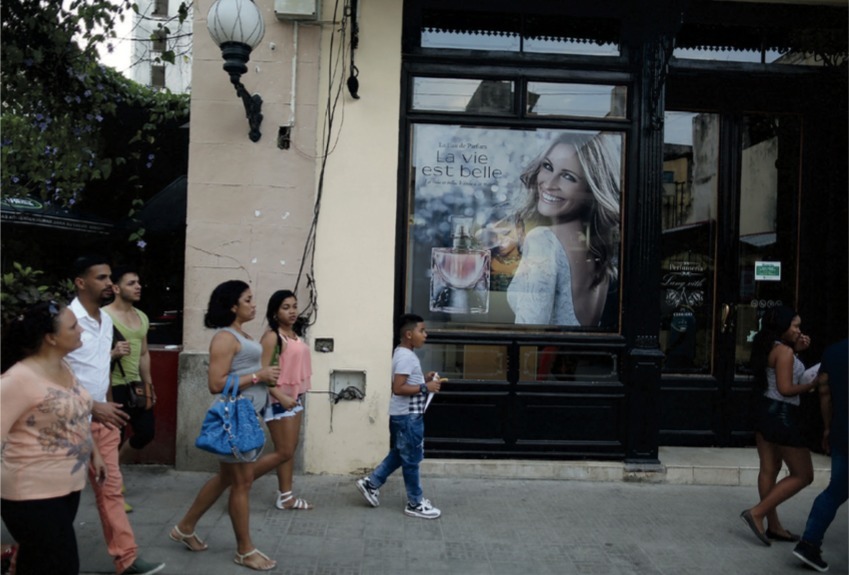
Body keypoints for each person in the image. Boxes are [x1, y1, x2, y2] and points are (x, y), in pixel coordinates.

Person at [169, 280, 280, 571]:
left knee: (226, 479)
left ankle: (185, 527)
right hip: (236, 419)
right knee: (242, 483)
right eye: (248, 299)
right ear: (233, 305)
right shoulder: (225, 338)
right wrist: (259, 376)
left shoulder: (241, 334)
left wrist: (264, 377)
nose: (254, 304)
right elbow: (215, 384)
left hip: (247, 415)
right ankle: (244, 550)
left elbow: (244, 371)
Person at [64, 255, 165, 575]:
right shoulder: (64, 321)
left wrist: (108, 411)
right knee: (54, 503)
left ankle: (127, 559)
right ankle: (27, 555)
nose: (109, 283)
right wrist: (92, 406)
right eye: (101, 278)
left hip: (101, 421)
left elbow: (101, 371)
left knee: (111, 492)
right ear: (81, 282)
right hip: (64, 424)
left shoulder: (106, 322)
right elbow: (53, 373)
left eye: (110, 277)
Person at [1, 300, 107, 575]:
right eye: (73, 326)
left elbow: (75, 413)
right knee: (63, 565)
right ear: (51, 338)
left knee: (34, 563)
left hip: (67, 487)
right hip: (30, 492)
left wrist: (93, 451)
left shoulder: (63, 367)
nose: (81, 330)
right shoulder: (17, 380)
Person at [507, 132, 620, 327]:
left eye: (568, 177)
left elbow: (529, 333)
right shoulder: (596, 252)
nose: (549, 184)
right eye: (548, 166)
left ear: (592, 189)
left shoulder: (543, 240)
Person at [740, 306, 817, 546]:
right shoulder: (783, 351)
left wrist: (797, 351)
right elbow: (786, 389)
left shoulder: (771, 347)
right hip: (782, 415)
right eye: (795, 325)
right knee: (804, 474)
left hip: (765, 410)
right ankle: (758, 512)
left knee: (769, 469)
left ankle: (773, 526)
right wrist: (813, 383)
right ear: (783, 326)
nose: (798, 330)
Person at [355, 313, 444, 519]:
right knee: (411, 460)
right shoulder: (405, 356)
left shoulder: (405, 354)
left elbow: (406, 382)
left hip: (404, 416)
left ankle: (371, 483)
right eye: (422, 331)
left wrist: (423, 378)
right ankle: (415, 502)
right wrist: (425, 387)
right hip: (408, 418)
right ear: (409, 334)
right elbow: (399, 388)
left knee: (400, 453)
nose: (426, 335)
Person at [793, 338, 848, 572]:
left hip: (842, 432)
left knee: (836, 489)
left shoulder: (834, 351)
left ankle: (809, 543)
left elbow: (823, 391)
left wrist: (827, 428)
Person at [259, 289, 313, 510]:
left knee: (289, 449)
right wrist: (281, 396)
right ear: (274, 313)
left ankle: (286, 496)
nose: (292, 311)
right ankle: (238, 481)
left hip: (293, 398)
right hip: (276, 399)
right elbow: (262, 372)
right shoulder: (272, 337)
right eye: (285, 307)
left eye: (294, 306)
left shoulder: (294, 335)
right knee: (284, 451)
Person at [103, 266, 156, 469]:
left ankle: (115, 466)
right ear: (116, 288)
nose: (138, 287)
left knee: (146, 432)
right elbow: (90, 357)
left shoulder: (141, 316)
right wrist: (113, 354)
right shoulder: (104, 317)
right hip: (112, 386)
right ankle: (111, 481)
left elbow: (143, 353)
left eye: (138, 282)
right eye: (131, 283)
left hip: (135, 385)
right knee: (114, 436)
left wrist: (149, 385)